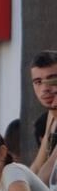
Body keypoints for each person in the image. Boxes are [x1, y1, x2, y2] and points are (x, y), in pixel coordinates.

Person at [27, 51, 57, 183]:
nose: (45, 88)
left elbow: (50, 167)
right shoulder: (52, 115)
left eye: (52, 79)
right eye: (38, 82)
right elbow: (38, 165)